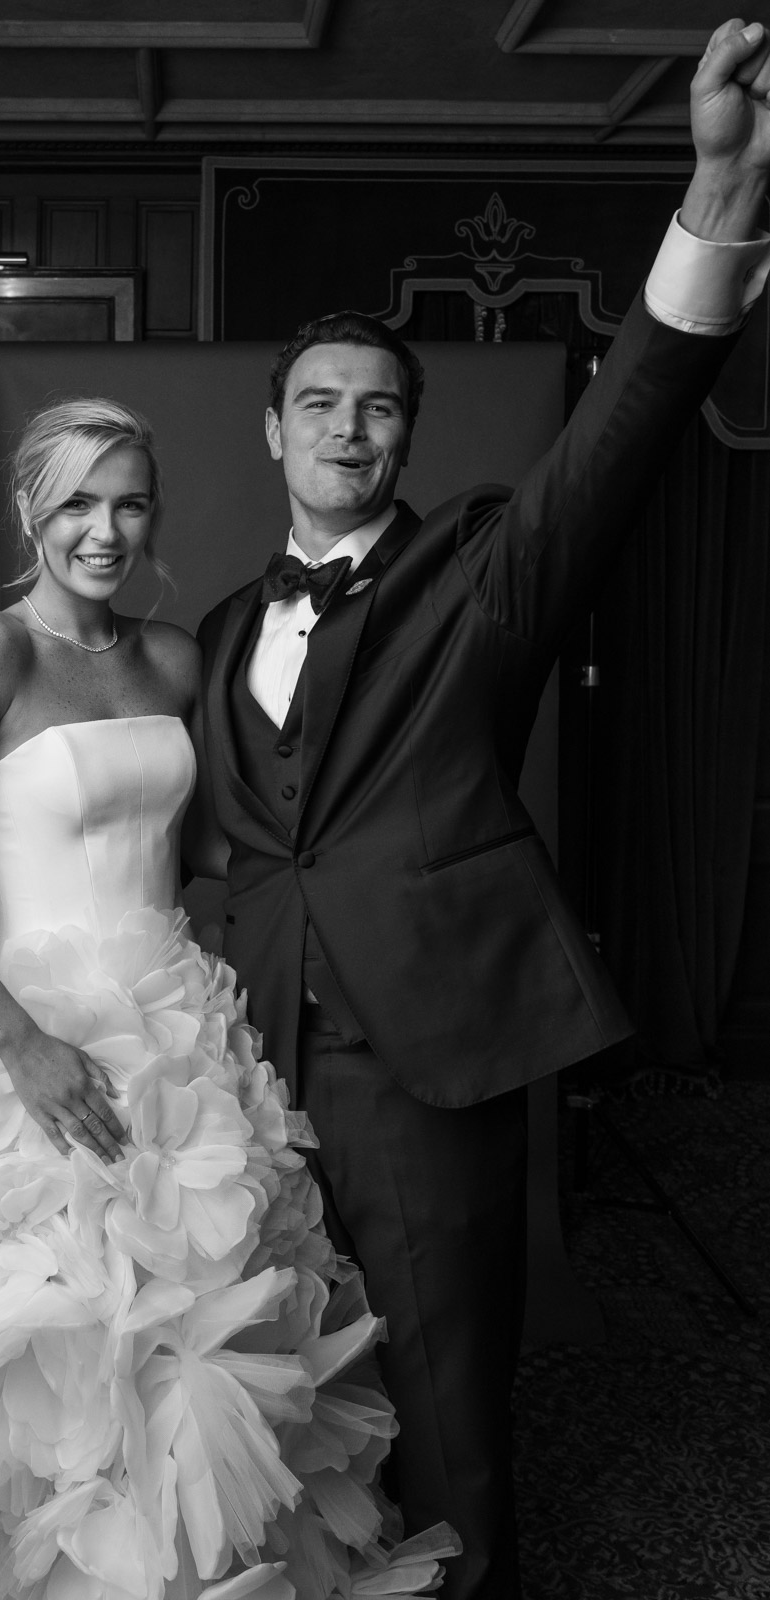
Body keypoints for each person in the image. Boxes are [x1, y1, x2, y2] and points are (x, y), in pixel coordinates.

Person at [194, 20, 770, 1600]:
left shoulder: (480, 571)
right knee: (271, 1368)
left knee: (441, 1377)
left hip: (417, 1049)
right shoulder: (227, 626)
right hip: (241, 1063)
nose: (347, 427)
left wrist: (721, 192)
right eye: (319, 402)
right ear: (273, 430)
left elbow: (622, 429)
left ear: (407, 434)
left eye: (377, 407)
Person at [0, 398, 457, 1599]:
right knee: (21, 1334)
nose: (104, 531)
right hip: (30, 1027)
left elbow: (212, 847)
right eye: (76, 505)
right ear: (28, 512)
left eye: (130, 504)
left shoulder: (175, 658)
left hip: (177, 1026)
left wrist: (374, 856)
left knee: (189, 1329)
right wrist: (21, 1044)